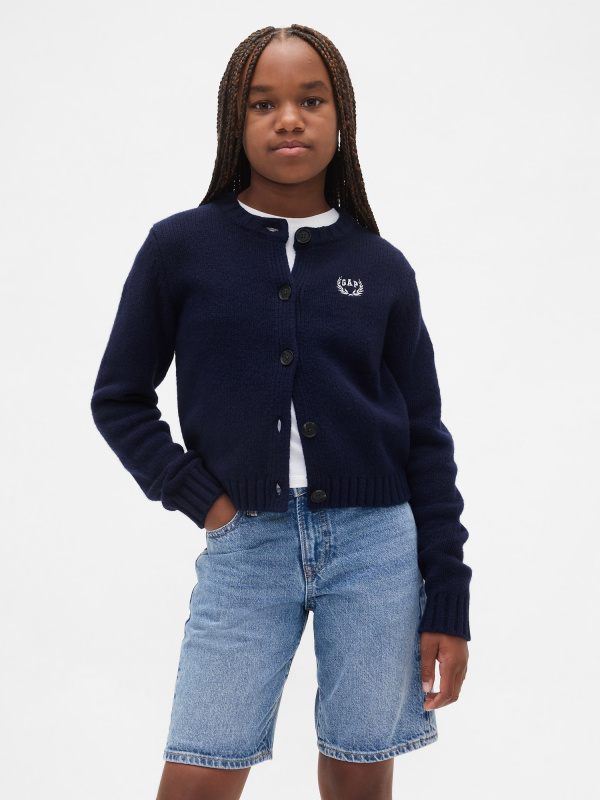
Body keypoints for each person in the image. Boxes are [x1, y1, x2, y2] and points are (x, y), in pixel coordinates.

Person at [91, 23, 472, 800]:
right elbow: (119, 399)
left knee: (361, 772)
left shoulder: (381, 267)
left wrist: (448, 596)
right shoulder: (180, 249)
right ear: (234, 121)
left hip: (377, 550)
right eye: (263, 103)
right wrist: (208, 503)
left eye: (311, 100)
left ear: (342, 117)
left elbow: (425, 439)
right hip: (246, 545)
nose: (289, 119)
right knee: (199, 770)